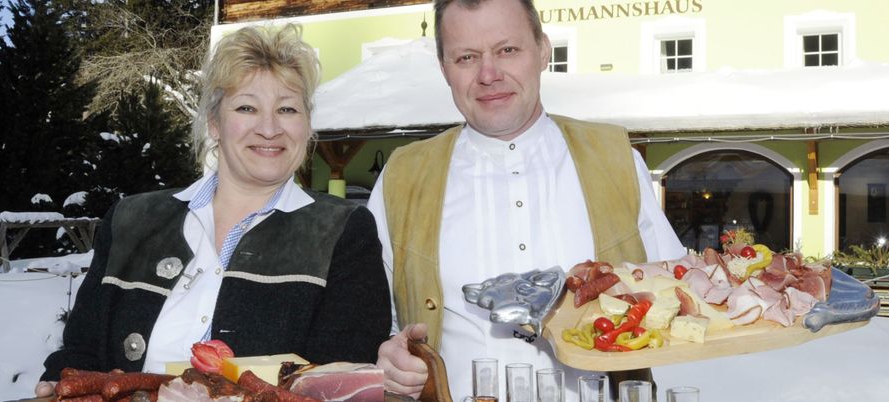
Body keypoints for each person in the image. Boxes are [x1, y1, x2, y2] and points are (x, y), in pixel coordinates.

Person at [35, 25, 391, 396]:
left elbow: (337, 380)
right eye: (247, 107)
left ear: (306, 124)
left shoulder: (343, 231)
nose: (269, 128)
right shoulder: (132, 221)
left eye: (287, 108)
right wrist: (59, 382)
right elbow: (82, 351)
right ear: (214, 123)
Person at [367, 0, 687, 399]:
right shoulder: (403, 175)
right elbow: (376, 324)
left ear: (544, 51)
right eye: (466, 57)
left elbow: (674, 296)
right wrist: (388, 356)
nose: (488, 74)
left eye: (507, 50)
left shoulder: (615, 158)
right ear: (444, 68)